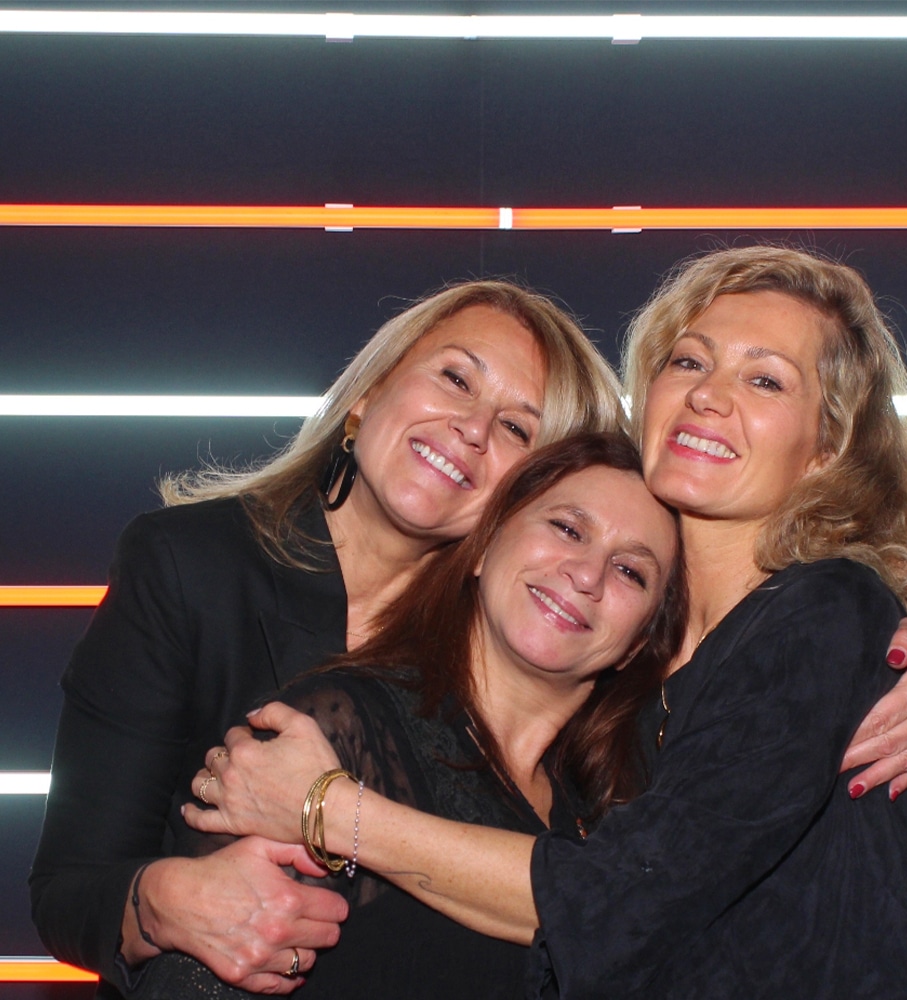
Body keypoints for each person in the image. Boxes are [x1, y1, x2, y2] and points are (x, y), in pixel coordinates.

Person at [191, 248, 907, 999]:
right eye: (689, 361)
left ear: (827, 450)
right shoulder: (631, 677)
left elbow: (621, 902)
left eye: (765, 380)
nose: (708, 395)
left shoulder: (827, 610)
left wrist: (331, 808)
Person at [29, 280, 627, 999]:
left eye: (517, 429)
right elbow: (67, 889)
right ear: (368, 393)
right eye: (455, 379)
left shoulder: (521, 653)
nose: (472, 428)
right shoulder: (188, 565)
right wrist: (164, 901)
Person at [130, 432, 686, 999]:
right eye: (567, 529)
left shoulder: (608, 819)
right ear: (485, 544)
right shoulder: (331, 736)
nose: (587, 574)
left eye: (630, 572)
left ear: (640, 644)